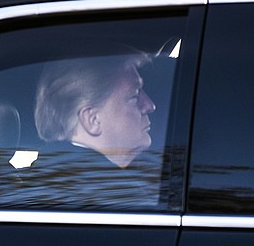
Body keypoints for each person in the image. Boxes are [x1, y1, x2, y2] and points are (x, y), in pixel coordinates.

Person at [23, 46, 163, 209]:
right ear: (92, 119)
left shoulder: (54, 180)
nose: (149, 105)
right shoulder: (113, 198)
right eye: (134, 96)